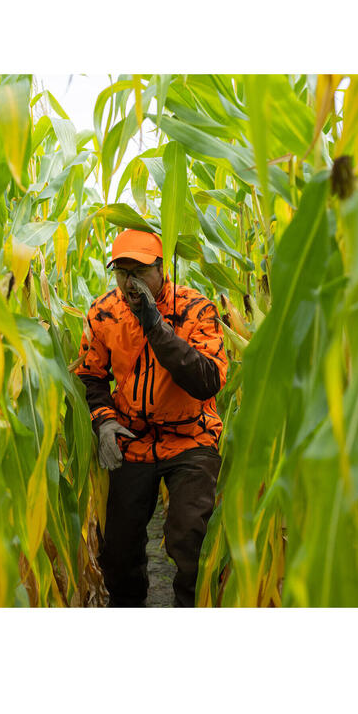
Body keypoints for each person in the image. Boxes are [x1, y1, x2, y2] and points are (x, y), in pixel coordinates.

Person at [75, 229, 228, 607]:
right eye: (122, 272)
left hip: (191, 438)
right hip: (134, 440)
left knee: (191, 539)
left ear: (160, 269)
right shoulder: (104, 312)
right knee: (119, 555)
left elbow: (207, 380)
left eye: (139, 271)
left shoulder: (195, 309)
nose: (130, 282)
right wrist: (104, 421)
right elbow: (90, 376)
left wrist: (155, 324)